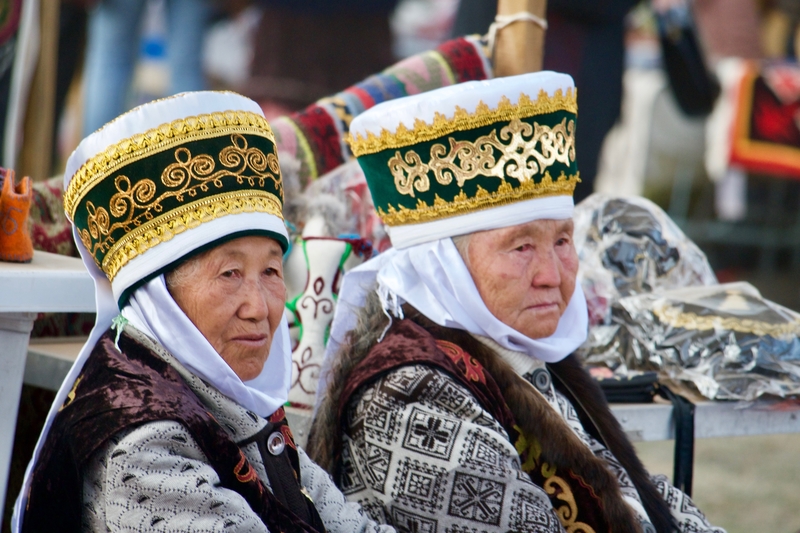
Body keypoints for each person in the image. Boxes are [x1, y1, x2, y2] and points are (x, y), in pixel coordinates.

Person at [307, 72, 726, 533]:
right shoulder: (406, 395)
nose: (552, 276)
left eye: (563, 241)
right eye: (521, 247)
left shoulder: (513, 346)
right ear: (444, 263)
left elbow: (627, 492)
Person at [12, 91, 396, 533]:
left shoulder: (231, 398)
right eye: (230, 273)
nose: (259, 308)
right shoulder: (139, 443)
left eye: (271, 270)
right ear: (160, 295)